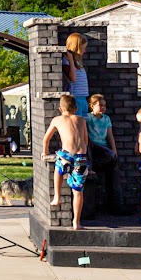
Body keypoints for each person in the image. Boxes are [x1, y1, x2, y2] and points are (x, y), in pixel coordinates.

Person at [44, 94, 91, 230]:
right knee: (78, 191)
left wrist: (45, 152)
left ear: (60, 109)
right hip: (81, 156)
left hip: (67, 154)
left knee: (58, 169)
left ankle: (57, 196)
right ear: (76, 108)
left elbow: (46, 139)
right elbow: (86, 140)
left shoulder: (57, 120)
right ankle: (76, 222)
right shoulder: (81, 120)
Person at [85, 94, 117, 217]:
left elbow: (110, 135)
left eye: (104, 105)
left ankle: (94, 167)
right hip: (92, 144)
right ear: (92, 106)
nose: (103, 108)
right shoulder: (88, 118)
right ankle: (91, 166)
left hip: (103, 146)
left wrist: (114, 150)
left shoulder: (106, 119)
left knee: (110, 156)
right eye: (100, 105)